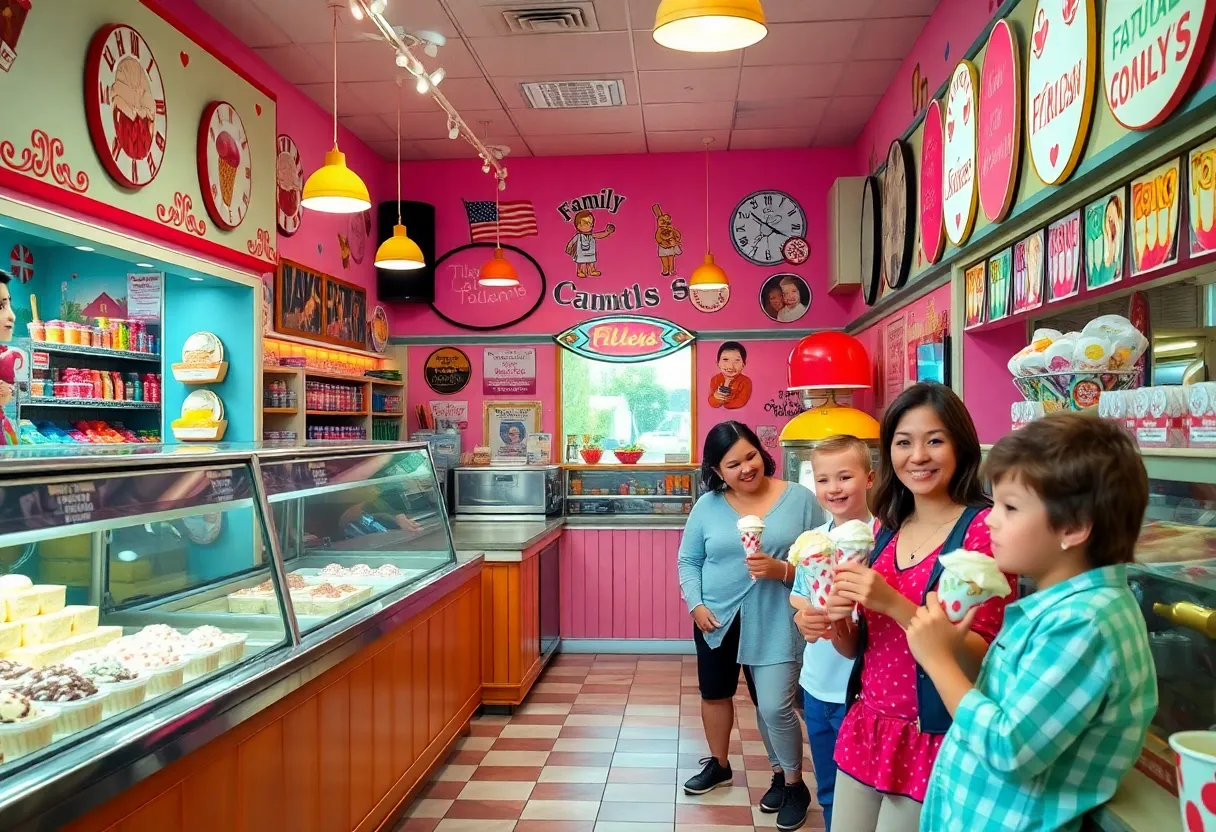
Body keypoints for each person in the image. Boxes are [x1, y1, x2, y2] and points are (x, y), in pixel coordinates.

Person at [908, 413, 1158, 832]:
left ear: (1075, 526)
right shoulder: (1060, 608)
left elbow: (1011, 750)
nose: (990, 519)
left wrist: (938, 662)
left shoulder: (1083, 623)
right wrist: (951, 646)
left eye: (1010, 507)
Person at [810, 382, 1013, 832]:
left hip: (933, 734)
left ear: (960, 445)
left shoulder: (983, 530)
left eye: (934, 440)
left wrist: (895, 603)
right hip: (868, 726)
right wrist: (835, 621)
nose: (917, 456)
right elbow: (861, 647)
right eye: (904, 442)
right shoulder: (887, 528)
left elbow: (982, 655)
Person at [678, 421, 815, 831]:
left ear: (762, 452)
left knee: (773, 704)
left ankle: (791, 781)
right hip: (716, 618)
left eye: (751, 456)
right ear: (717, 471)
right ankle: (724, 766)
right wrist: (696, 604)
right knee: (717, 694)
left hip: (776, 618)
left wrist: (783, 570)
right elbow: (689, 561)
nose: (746, 469)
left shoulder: (800, 499)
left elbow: (819, 559)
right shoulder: (708, 506)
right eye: (732, 464)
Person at [789, 435, 875, 831]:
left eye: (845, 477)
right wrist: (804, 615)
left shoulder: (885, 539)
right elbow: (799, 596)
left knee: (862, 791)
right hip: (817, 684)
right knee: (828, 789)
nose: (834, 488)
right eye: (823, 480)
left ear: (869, 478)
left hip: (860, 692)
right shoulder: (814, 542)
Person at [707, 341, 752, 410]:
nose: (730, 366)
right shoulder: (715, 380)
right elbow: (712, 402)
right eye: (725, 360)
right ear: (718, 363)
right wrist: (716, 397)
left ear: (743, 364)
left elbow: (741, 401)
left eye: (737, 360)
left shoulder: (745, 381)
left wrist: (726, 403)